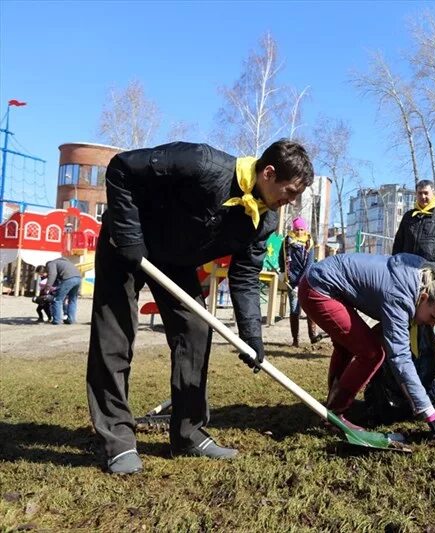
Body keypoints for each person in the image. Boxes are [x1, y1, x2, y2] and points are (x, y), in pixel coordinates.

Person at [87, 139, 314, 475]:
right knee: (115, 337)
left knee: (195, 330)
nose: (291, 202)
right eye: (290, 191)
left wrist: (252, 338)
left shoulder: (264, 221)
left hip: (175, 260)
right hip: (127, 242)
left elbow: (245, 277)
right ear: (268, 173)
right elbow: (121, 168)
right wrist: (129, 236)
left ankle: (188, 433)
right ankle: (117, 440)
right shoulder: (200, 163)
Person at [298, 252, 435, 447]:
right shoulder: (401, 298)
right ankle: (335, 415)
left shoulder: (419, 274)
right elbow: (401, 359)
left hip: (323, 279)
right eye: (433, 317)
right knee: (372, 354)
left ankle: (332, 408)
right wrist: (432, 417)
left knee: (348, 346)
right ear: (424, 297)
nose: (431, 324)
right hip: (318, 288)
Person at [392, 180, 435, 284]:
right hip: (406, 269)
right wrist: (394, 265)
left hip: (429, 272)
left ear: (433, 193)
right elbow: (398, 244)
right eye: (420, 193)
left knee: (426, 299)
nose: (423, 196)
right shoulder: (408, 216)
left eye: (426, 193)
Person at [279, 215, 322, 347]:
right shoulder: (287, 242)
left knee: (309, 308)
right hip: (291, 280)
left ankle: (312, 336)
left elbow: (309, 265)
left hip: (306, 280)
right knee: (294, 309)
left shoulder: (309, 243)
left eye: (302, 229)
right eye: (297, 229)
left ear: (305, 230)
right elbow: (282, 256)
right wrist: (282, 272)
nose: (299, 232)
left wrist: (301, 283)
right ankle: (295, 339)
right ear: (294, 229)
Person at [43, 257, 82, 325]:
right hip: (78, 278)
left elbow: (52, 274)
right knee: (72, 300)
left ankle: (57, 320)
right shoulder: (65, 262)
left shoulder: (51, 264)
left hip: (68, 278)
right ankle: (71, 319)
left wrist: (47, 287)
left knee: (57, 300)